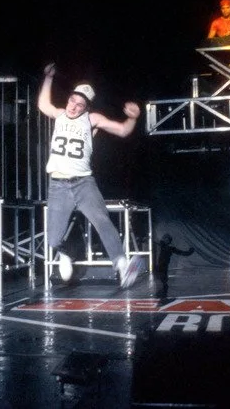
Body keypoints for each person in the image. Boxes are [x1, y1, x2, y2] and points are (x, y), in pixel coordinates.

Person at [37, 62, 143, 289]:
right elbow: (43, 104)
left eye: (80, 105)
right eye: (72, 101)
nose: (74, 107)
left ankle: (122, 266)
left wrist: (133, 118)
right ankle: (66, 252)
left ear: (86, 108)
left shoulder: (92, 120)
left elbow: (123, 130)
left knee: (102, 221)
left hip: (84, 183)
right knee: (53, 239)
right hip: (58, 185)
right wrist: (48, 78)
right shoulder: (59, 114)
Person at [154, 233, 194, 297]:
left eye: (167, 239)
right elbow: (157, 241)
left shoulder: (171, 248)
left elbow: (182, 253)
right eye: (165, 239)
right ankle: (161, 293)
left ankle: (163, 294)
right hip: (159, 266)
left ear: (169, 240)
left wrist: (190, 251)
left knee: (163, 281)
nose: (166, 240)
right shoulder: (162, 245)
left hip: (164, 266)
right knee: (160, 280)